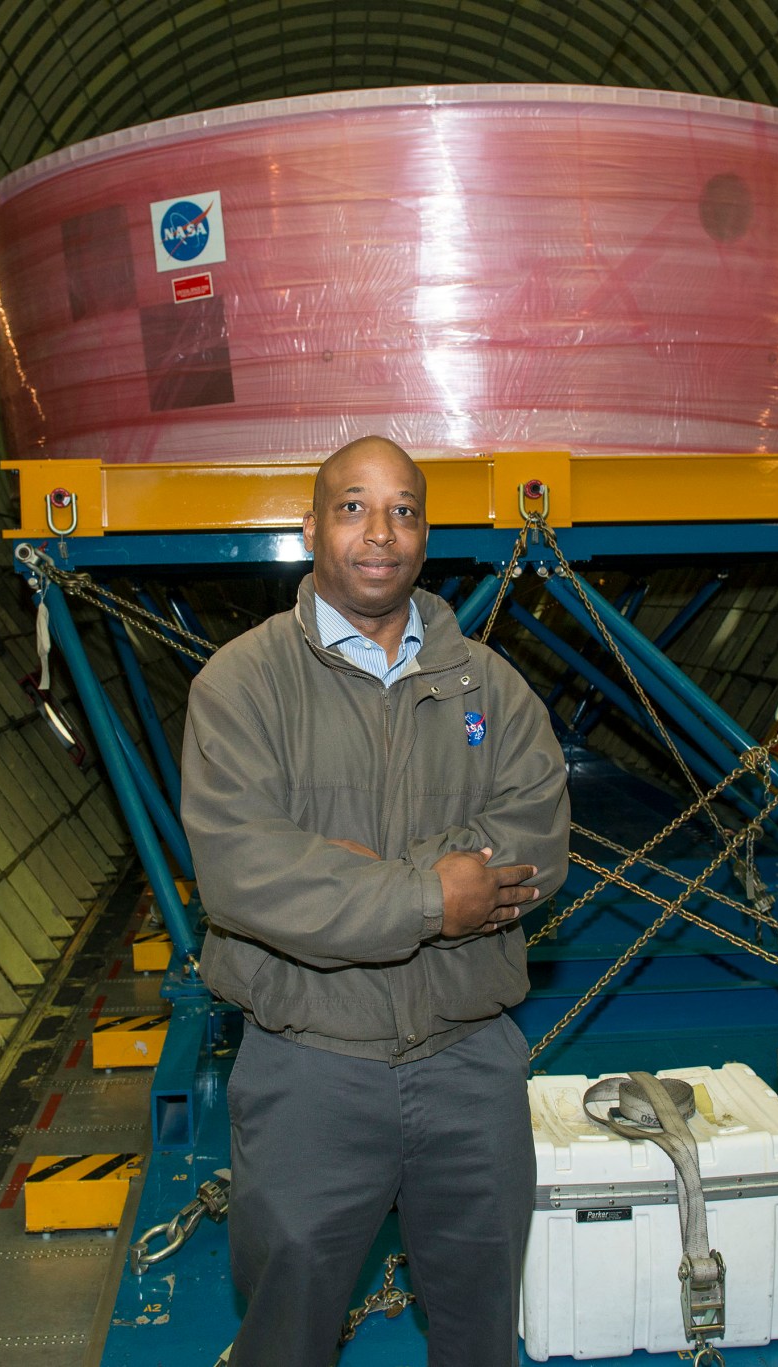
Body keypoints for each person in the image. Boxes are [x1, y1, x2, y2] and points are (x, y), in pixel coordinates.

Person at [180, 434, 571, 1366]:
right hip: (310, 1065)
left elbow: (536, 843)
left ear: (426, 534)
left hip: (469, 1061)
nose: (379, 531)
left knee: (481, 1326)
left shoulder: (491, 687)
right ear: (311, 525)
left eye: (402, 509)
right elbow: (248, 872)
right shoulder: (243, 683)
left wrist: (354, 873)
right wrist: (434, 893)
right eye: (353, 506)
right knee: (287, 1327)